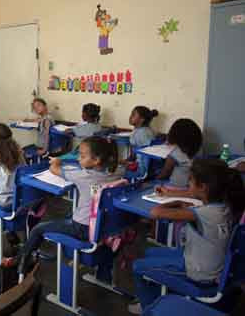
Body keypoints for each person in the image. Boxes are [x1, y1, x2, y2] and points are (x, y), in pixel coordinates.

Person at [128, 159, 245, 314]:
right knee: (150, 252)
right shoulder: (227, 207)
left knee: (137, 266)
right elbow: (200, 205)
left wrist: (175, 201)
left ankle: (148, 307)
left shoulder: (204, 214)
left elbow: (155, 213)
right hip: (212, 265)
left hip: (199, 274)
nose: (188, 182)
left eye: (190, 180)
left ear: (203, 187)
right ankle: (158, 294)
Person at [17, 136, 121, 277]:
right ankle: (104, 275)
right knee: (68, 216)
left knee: (37, 229)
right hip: (105, 226)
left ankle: (21, 264)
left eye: (82, 156)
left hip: (83, 228)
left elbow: (54, 169)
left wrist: (57, 161)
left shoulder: (82, 176)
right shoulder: (118, 173)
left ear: (96, 160)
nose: (78, 158)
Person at [156, 118, 202, 188]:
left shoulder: (175, 153)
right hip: (190, 186)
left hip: (176, 187)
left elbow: (165, 173)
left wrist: (155, 178)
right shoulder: (195, 150)